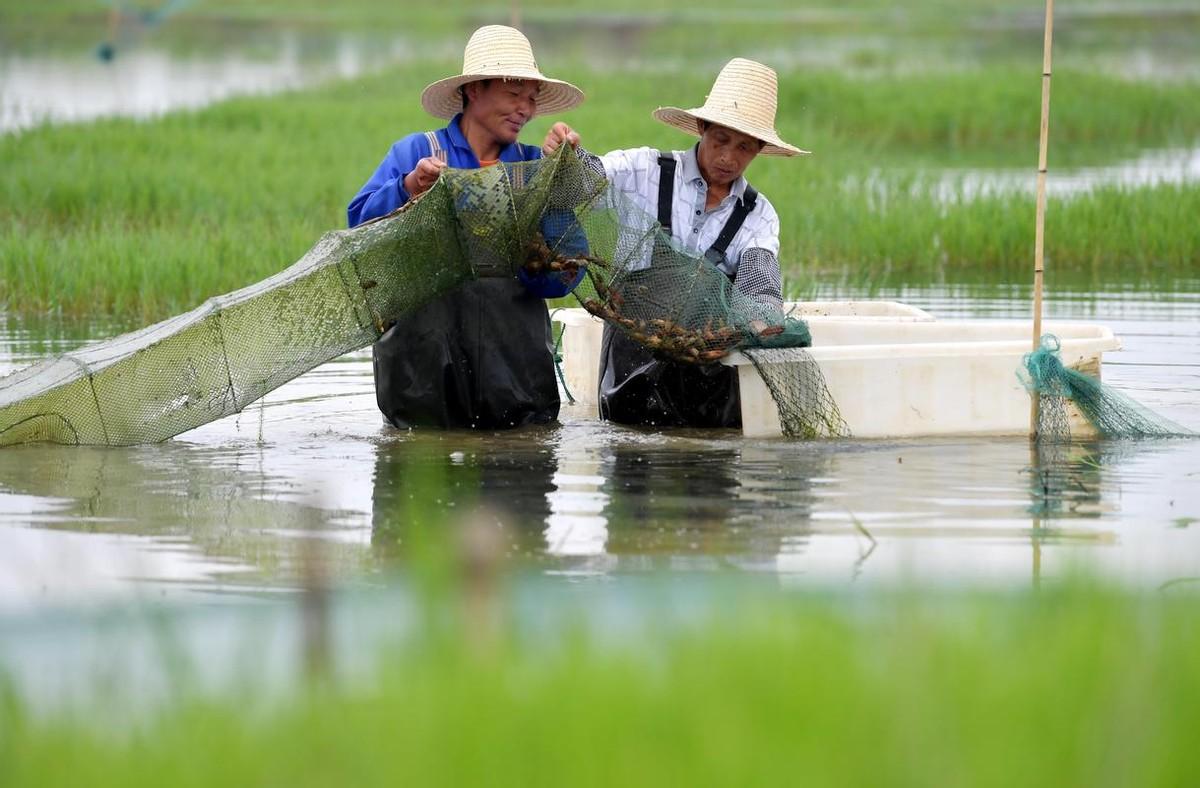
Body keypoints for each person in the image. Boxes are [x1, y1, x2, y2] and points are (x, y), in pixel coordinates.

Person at [542, 58, 806, 428]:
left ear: (760, 148)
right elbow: (585, 180)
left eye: (745, 147)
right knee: (628, 455)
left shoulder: (758, 215)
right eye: (721, 140)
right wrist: (564, 156)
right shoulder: (645, 170)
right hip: (631, 355)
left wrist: (762, 319)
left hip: (707, 369)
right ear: (701, 127)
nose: (729, 157)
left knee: (706, 459)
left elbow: (759, 283)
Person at [347, 25, 585, 430]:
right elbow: (359, 227)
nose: (524, 109)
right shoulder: (418, 153)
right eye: (513, 95)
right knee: (420, 472)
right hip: (422, 379)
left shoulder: (533, 168)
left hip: (516, 382)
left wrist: (558, 181)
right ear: (474, 90)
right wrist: (409, 187)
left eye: (531, 99)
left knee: (519, 481)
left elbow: (569, 270)